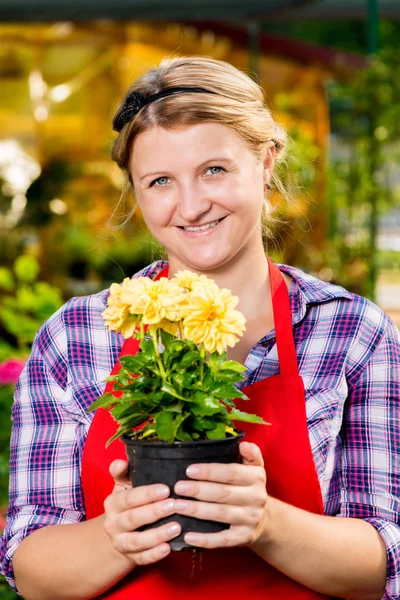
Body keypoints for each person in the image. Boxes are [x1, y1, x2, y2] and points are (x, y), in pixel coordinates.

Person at [0, 56, 399, 600]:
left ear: (265, 161)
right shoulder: (76, 337)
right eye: (160, 180)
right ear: (136, 193)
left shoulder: (352, 332)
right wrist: (115, 537)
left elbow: (382, 563)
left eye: (214, 169)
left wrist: (267, 523)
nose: (190, 206)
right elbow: (30, 567)